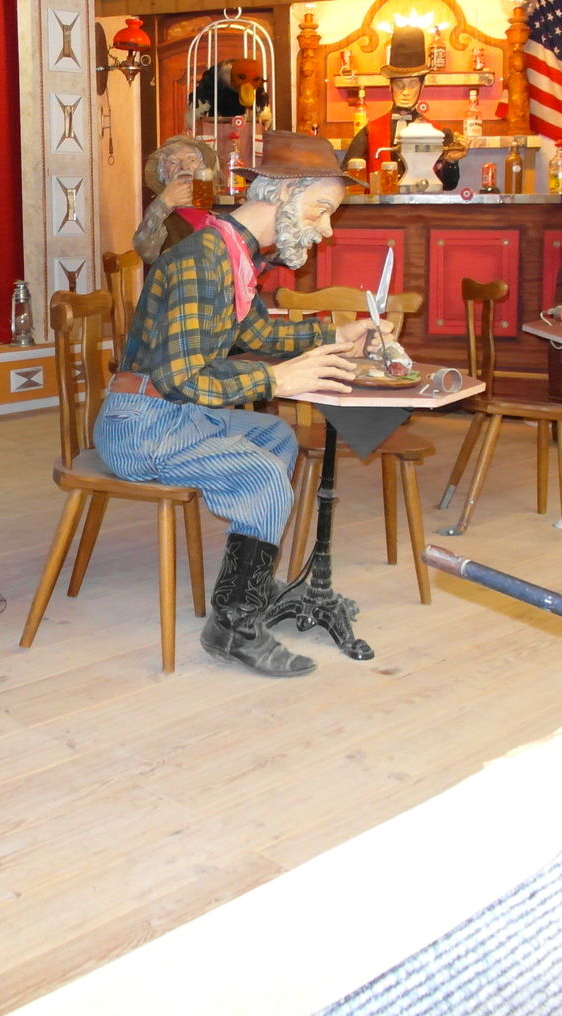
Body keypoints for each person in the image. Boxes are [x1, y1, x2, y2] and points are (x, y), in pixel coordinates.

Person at [97, 130, 390, 678]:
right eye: (322, 210)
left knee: (273, 436)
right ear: (284, 194)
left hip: (177, 416)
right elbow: (180, 377)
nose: (326, 230)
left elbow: (258, 333)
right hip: (142, 426)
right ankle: (232, 628)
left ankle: (247, 585)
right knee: (263, 477)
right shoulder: (199, 260)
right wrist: (274, 380)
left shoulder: (231, 252)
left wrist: (336, 334)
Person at [343, 26, 431, 171]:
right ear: (390, 87)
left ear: (422, 86)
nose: (406, 92)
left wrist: (451, 163)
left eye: (412, 85)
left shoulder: (435, 132)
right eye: (399, 85)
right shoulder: (371, 131)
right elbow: (348, 173)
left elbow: (447, 180)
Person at [131, 135, 215, 265]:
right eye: (173, 162)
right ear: (162, 173)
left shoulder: (217, 217)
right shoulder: (162, 221)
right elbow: (146, 252)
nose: (184, 167)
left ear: (203, 169)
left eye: (192, 160)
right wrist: (164, 202)